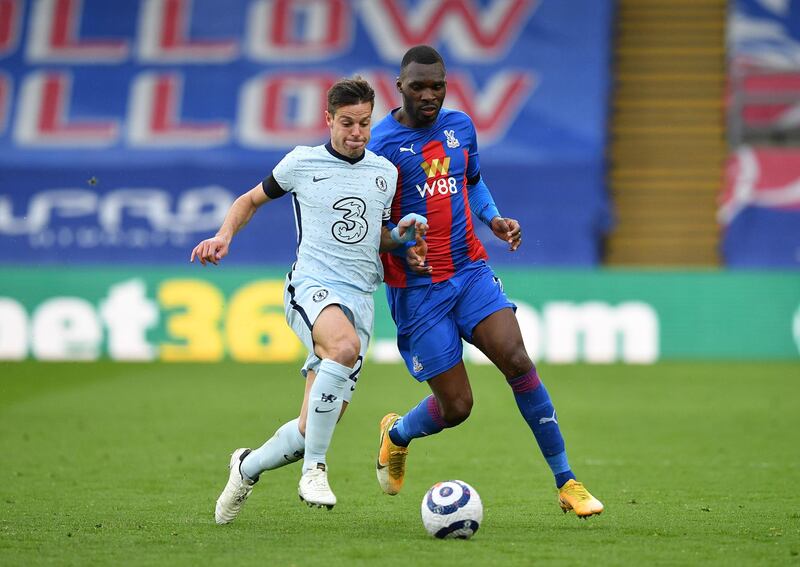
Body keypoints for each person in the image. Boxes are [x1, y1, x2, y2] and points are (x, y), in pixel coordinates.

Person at [367, 45, 604, 518]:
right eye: (419, 87)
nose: (430, 95)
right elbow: (365, 225)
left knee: (517, 359)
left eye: (438, 85)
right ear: (399, 87)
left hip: (469, 271)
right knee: (456, 407)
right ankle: (396, 434)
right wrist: (396, 243)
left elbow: (472, 180)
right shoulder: (379, 147)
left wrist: (492, 218)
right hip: (418, 291)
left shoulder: (460, 128)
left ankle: (567, 481)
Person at [190, 76, 428, 524]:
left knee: (308, 427)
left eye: (364, 123)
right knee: (342, 349)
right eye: (347, 123)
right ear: (328, 120)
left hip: (360, 298)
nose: (357, 132)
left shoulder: (385, 173)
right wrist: (224, 236)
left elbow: (374, 237)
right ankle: (315, 468)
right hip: (312, 285)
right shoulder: (301, 162)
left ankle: (245, 467)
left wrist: (403, 236)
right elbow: (249, 199)